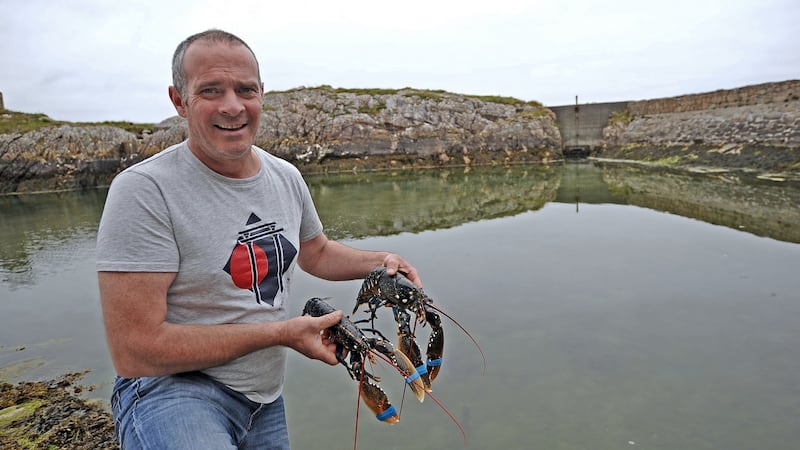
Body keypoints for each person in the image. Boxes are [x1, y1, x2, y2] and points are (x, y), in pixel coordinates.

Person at [96, 29, 421, 449]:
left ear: (262, 94)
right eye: (211, 90)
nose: (232, 106)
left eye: (245, 89)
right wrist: (281, 333)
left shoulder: (285, 176)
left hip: (264, 400)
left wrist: (381, 259)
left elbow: (316, 253)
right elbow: (135, 350)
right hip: (171, 391)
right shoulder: (143, 190)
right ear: (179, 100)